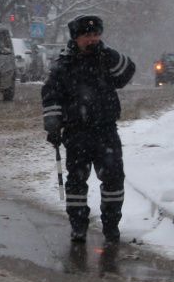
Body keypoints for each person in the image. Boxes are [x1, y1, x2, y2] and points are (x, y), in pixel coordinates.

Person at [41, 14, 136, 243]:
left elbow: (127, 72)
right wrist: (53, 125)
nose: (92, 39)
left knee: (113, 179)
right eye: (86, 36)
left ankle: (111, 225)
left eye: (95, 34)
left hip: (105, 130)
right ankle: (78, 225)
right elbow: (51, 96)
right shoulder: (64, 65)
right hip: (77, 132)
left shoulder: (105, 59)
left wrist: (108, 53)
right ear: (76, 38)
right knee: (76, 181)